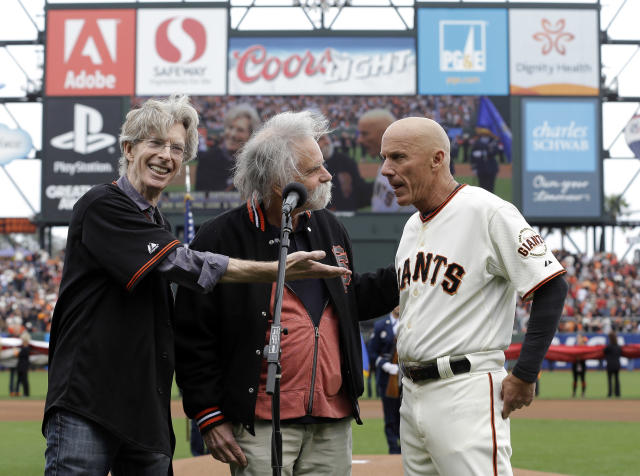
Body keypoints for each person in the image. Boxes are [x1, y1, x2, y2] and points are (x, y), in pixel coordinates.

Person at [42, 95, 349, 476]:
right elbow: (181, 264)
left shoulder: (155, 222)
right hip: (87, 400)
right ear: (128, 148)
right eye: (155, 143)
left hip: (143, 407)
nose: (166, 155)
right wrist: (276, 269)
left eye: (176, 148)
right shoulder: (102, 204)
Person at [174, 110, 399, 475]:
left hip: (331, 418)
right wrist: (208, 415)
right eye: (314, 170)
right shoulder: (219, 237)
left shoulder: (330, 227)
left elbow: (349, 298)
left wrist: (406, 274)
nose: (327, 175)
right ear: (281, 184)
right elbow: (192, 335)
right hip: (260, 421)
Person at [379, 117, 568, 475]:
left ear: (438, 159)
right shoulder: (411, 226)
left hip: (465, 390)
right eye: (384, 158)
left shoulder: (488, 211)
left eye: (399, 157)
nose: (387, 170)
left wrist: (525, 374)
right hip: (412, 392)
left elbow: (552, 285)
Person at [357, 109, 415, 213]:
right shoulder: (386, 161)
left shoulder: (409, 172)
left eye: (365, 134)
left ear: (385, 133)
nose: (359, 140)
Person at [196, 104, 261, 191]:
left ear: (251, 135)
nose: (233, 134)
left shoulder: (256, 164)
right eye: (230, 128)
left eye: (240, 130)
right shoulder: (207, 159)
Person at [368, 305, 401, 454]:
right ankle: (394, 449)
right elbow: (372, 353)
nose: (399, 306)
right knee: (390, 416)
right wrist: (385, 365)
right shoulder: (380, 325)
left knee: (405, 416)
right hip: (387, 378)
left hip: (406, 377)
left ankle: (406, 448)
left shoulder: (409, 323)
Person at [319, 133, 372, 211]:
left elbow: (360, 191)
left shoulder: (346, 161)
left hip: (346, 218)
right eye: (320, 139)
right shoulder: (304, 168)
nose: (327, 142)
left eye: (327, 137)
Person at [604, 331, 621, 397]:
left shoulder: (608, 347)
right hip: (617, 364)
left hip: (610, 365)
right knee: (617, 379)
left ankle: (610, 393)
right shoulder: (618, 346)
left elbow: (603, 352)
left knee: (610, 379)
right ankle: (617, 393)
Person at [15, 331, 31, 397]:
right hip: (21, 366)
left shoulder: (26, 348)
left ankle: (26, 393)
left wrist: (15, 351)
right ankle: (17, 392)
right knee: (19, 380)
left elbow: (18, 355)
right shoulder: (24, 348)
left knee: (24, 380)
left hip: (23, 366)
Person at [572, 334, 587, 398]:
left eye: (579, 338)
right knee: (575, 379)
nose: (578, 339)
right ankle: (574, 393)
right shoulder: (575, 346)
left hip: (582, 364)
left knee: (582, 379)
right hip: (575, 364)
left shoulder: (584, 346)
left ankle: (583, 393)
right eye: (577, 338)